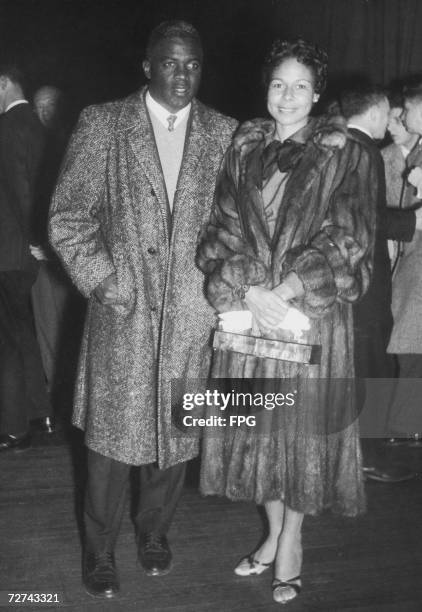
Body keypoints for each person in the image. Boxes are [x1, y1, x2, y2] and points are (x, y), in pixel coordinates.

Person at [49, 20, 237, 599]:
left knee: (175, 436)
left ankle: (154, 533)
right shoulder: (103, 123)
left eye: (193, 65)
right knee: (108, 446)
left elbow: (235, 227)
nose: (183, 75)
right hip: (123, 313)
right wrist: (101, 278)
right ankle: (99, 548)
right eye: (171, 63)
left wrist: (225, 291)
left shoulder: (225, 132)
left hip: (190, 317)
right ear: (147, 65)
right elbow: (67, 215)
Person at [197, 39, 376, 605]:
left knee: (299, 437)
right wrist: (248, 287)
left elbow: (350, 238)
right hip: (249, 315)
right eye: (279, 84)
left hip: (309, 317)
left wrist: (289, 287)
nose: (288, 96)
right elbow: (216, 231)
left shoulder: (345, 150)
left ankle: (292, 542)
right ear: (266, 88)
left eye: (301, 85)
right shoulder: (243, 143)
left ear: (318, 93)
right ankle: (273, 533)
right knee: (255, 429)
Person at [339, 84, 420, 482]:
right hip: (365, 285)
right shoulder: (364, 150)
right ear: (374, 113)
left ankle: (359, 453)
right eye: (391, 113)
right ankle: (366, 457)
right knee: (370, 368)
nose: (397, 120)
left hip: (353, 282)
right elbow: (368, 219)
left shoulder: (338, 145)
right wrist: (415, 221)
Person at [0, 61, 52, 452]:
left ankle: (15, 427)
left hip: (9, 252)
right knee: (24, 334)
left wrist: (35, 238)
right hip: (26, 252)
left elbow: (19, 190)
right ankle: (41, 412)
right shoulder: (36, 126)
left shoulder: (8, 128)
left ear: (3, 83)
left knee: (8, 342)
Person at [31, 86, 75, 413]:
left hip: (67, 256)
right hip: (40, 255)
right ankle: (55, 404)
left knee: (67, 328)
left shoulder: (71, 143)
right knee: (47, 328)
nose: (44, 112)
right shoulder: (33, 144)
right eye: (39, 107)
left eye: (49, 105)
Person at [386, 79, 422, 440]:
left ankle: (406, 425)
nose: (404, 115)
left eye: (409, 109)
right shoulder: (413, 152)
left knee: (413, 350)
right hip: (411, 262)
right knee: (410, 350)